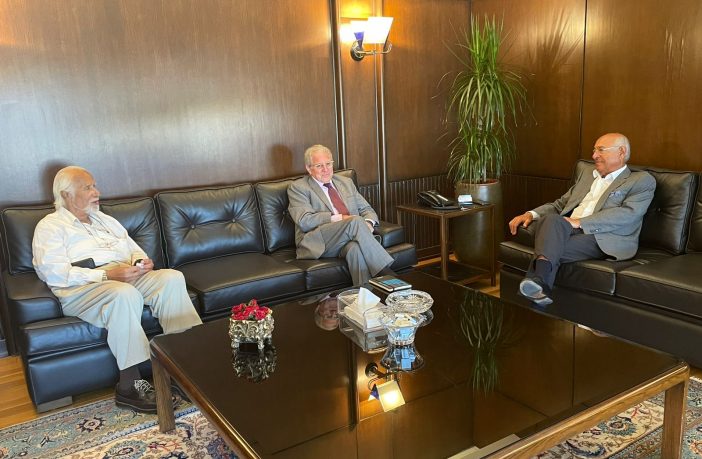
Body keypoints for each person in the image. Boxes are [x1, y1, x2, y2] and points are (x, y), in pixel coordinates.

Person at [32, 166, 202, 413]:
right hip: (84, 288)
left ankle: (183, 367)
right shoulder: (50, 226)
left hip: (125, 276)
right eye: (88, 187)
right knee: (124, 294)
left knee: (172, 278)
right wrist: (107, 275)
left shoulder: (105, 220)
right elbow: (53, 273)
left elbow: (133, 250)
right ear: (66, 194)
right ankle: (130, 386)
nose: (96, 192)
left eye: (95, 186)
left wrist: (141, 262)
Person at [508, 133, 656, 305]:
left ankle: (538, 284)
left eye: (601, 150)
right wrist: (530, 214)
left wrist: (580, 222)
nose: (594, 155)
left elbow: (628, 214)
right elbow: (560, 204)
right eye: (594, 150)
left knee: (549, 247)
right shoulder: (587, 175)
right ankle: (539, 287)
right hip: (566, 228)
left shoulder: (640, 180)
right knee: (551, 220)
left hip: (602, 236)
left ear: (621, 152)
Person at [287, 144, 395, 286]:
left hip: (348, 238)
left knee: (355, 249)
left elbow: (367, 210)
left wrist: (368, 224)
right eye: (319, 166)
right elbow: (304, 220)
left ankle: (365, 295)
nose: (325, 169)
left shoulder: (346, 182)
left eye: (328, 164)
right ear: (309, 168)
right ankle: (387, 273)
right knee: (355, 221)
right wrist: (340, 218)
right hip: (318, 241)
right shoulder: (298, 187)